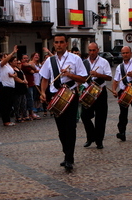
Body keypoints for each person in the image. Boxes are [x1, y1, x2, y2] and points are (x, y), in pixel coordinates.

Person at [39, 33, 87, 170]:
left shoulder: (75, 59)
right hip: (55, 97)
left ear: (66, 44)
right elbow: (44, 79)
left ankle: (69, 158)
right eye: (56, 42)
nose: (58, 45)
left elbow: (83, 79)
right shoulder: (50, 61)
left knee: (70, 127)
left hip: (70, 95)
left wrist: (69, 75)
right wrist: (43, 92)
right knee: (61, 129)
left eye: (61, 42)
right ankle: (66, 153)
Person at [80, 42, 112, 149]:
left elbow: (109, 77)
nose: (92, 52)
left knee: (101, 117)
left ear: (97, 50)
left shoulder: (104, 62)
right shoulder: (84, 63)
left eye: (94, 50)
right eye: (90, 50)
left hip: (100, 91)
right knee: (84, 116)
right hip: (88, 91)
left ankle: (99, 141)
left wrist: (98, 74)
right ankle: (91, 136)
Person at [112, 46, 132, 141]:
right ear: (121, 54)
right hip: (123, 91)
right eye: (123, 53)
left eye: (127, 53)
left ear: (131, 53)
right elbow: (115, 80)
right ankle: (122, 132)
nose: (125, 55)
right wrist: (114, 90)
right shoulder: (119, 67)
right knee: (123, 113)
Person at [0, 45, 18, 126]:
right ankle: (5, 120)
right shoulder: (0, 65)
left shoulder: (8, 66)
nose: (7, 57)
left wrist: (14, 76)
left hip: (11, 86)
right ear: (1, 58)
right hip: (5, 86)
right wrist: (13, 52)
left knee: (9, 104)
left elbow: (14, 74)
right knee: (5, 104)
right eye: (5, 56)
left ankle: (8, 119)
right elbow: (5, 60)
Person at [8, 56, 29, 122]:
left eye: (16, 61)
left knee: (24, 102)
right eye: (14, 61)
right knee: (17, 103)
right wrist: (23, 81)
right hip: (17, 87)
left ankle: (25, 115)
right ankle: (17, 116)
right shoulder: (12, 70)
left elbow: (23, 75)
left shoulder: (19, 69)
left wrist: (25, 80)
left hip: (22, 87)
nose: (16, 62)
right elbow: (15, 78)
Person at [21, 54, 41, 120]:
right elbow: (32, 71)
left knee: (31, 98)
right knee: (29, 99)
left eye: (27, 58)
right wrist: (30, 65)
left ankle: (30, 112)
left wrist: (29, 65)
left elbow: (34, 68)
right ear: (22, 59)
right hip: (27, 84)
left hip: (32, 83)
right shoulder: (23, 66)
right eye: (24, 58)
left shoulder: (28, 65)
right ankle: (30, 113)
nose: (26, 59)